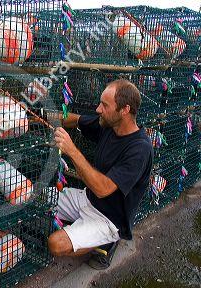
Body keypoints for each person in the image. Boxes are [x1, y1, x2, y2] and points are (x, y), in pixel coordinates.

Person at [47, 79, 153, 269]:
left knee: (55, 243)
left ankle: (105, 241)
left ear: (125, 110)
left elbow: (104, 189)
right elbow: (76, 119)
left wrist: (71, 150)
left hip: (108, 219)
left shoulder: (139, 149)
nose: (98, 109)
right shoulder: (109, 125)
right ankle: (81, 229)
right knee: (34, 197)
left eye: (104, 105)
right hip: (87, 198)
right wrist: (42, 116)